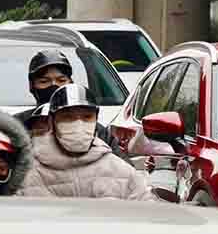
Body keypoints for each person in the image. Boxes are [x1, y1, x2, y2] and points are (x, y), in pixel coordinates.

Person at [19, 84, 155, 200]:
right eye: (68, 117)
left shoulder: (122, 172)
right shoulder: (28, 174)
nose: (78, 124)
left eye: (87, 117)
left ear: (96, 120)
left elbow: (146, 218)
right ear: (51, 122)